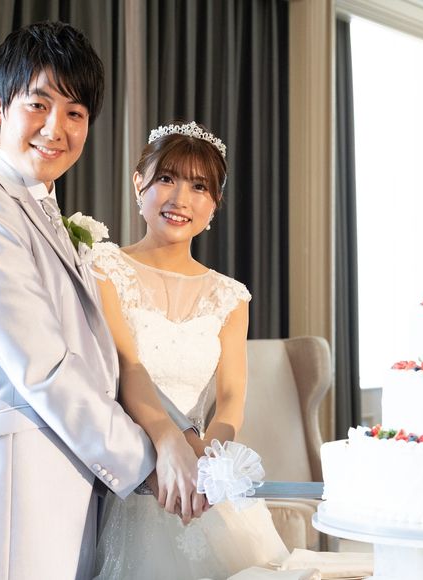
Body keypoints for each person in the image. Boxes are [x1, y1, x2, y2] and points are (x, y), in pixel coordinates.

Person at [0, 23, 201, 580]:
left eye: (75, 112)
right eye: (39, 104)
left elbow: (102, 356)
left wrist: (179, 434)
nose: (55, 128)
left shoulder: (43, 207)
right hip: (24, 479)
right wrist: (148, 461)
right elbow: (43, 365)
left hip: (74, 472)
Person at [92, 121, 289, 579]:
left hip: (203, 475)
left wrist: (208, 462)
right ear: (138, 183)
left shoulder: (231, 296)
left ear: (214, 203)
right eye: (167, 178)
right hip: (136, 473)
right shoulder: (103, 267)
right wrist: (170, 442)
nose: (181, 199)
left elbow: (232, 397)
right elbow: (127, 366)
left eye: (199, 186)